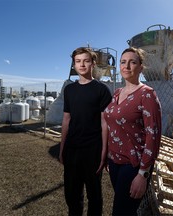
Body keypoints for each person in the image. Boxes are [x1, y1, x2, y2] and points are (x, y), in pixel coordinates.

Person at [103, 47, 162, 215]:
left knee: (121, 212)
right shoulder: (116, 93)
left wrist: (143, 174)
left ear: (141, 67)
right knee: (126, 209)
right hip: (114, 163)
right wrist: (108, 156)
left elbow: (153, 136)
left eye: (132, 62)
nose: (126, 66)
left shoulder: (147, 95)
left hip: (134, 165)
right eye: (123, 62)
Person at [59, 47, 112, 216]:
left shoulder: (102, 90)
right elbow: (66, 119)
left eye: (86, 61)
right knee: (72, 195)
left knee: (94, 196)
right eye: (78, 61)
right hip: (72, 149)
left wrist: (104, 151)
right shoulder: (69, 90)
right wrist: (62, 148)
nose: (82, 64)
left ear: (93, 64)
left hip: (93, 149)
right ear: (74, 65)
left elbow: (105, 123)